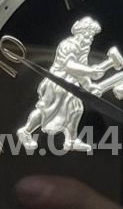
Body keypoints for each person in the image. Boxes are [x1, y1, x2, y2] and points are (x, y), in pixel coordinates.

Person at [17, 16, 114, 151]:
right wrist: (91, 71)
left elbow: (80, 72)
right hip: (58, 83)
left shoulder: (84, 49)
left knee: (76, 110)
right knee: (46, 111)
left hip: (71, 85)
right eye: (89, 34)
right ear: (81, 32)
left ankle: (71, 141)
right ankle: (25, 131)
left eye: (92, 35)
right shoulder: (68, 45)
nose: (90, 38)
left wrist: (89, 85)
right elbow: (69, 65)